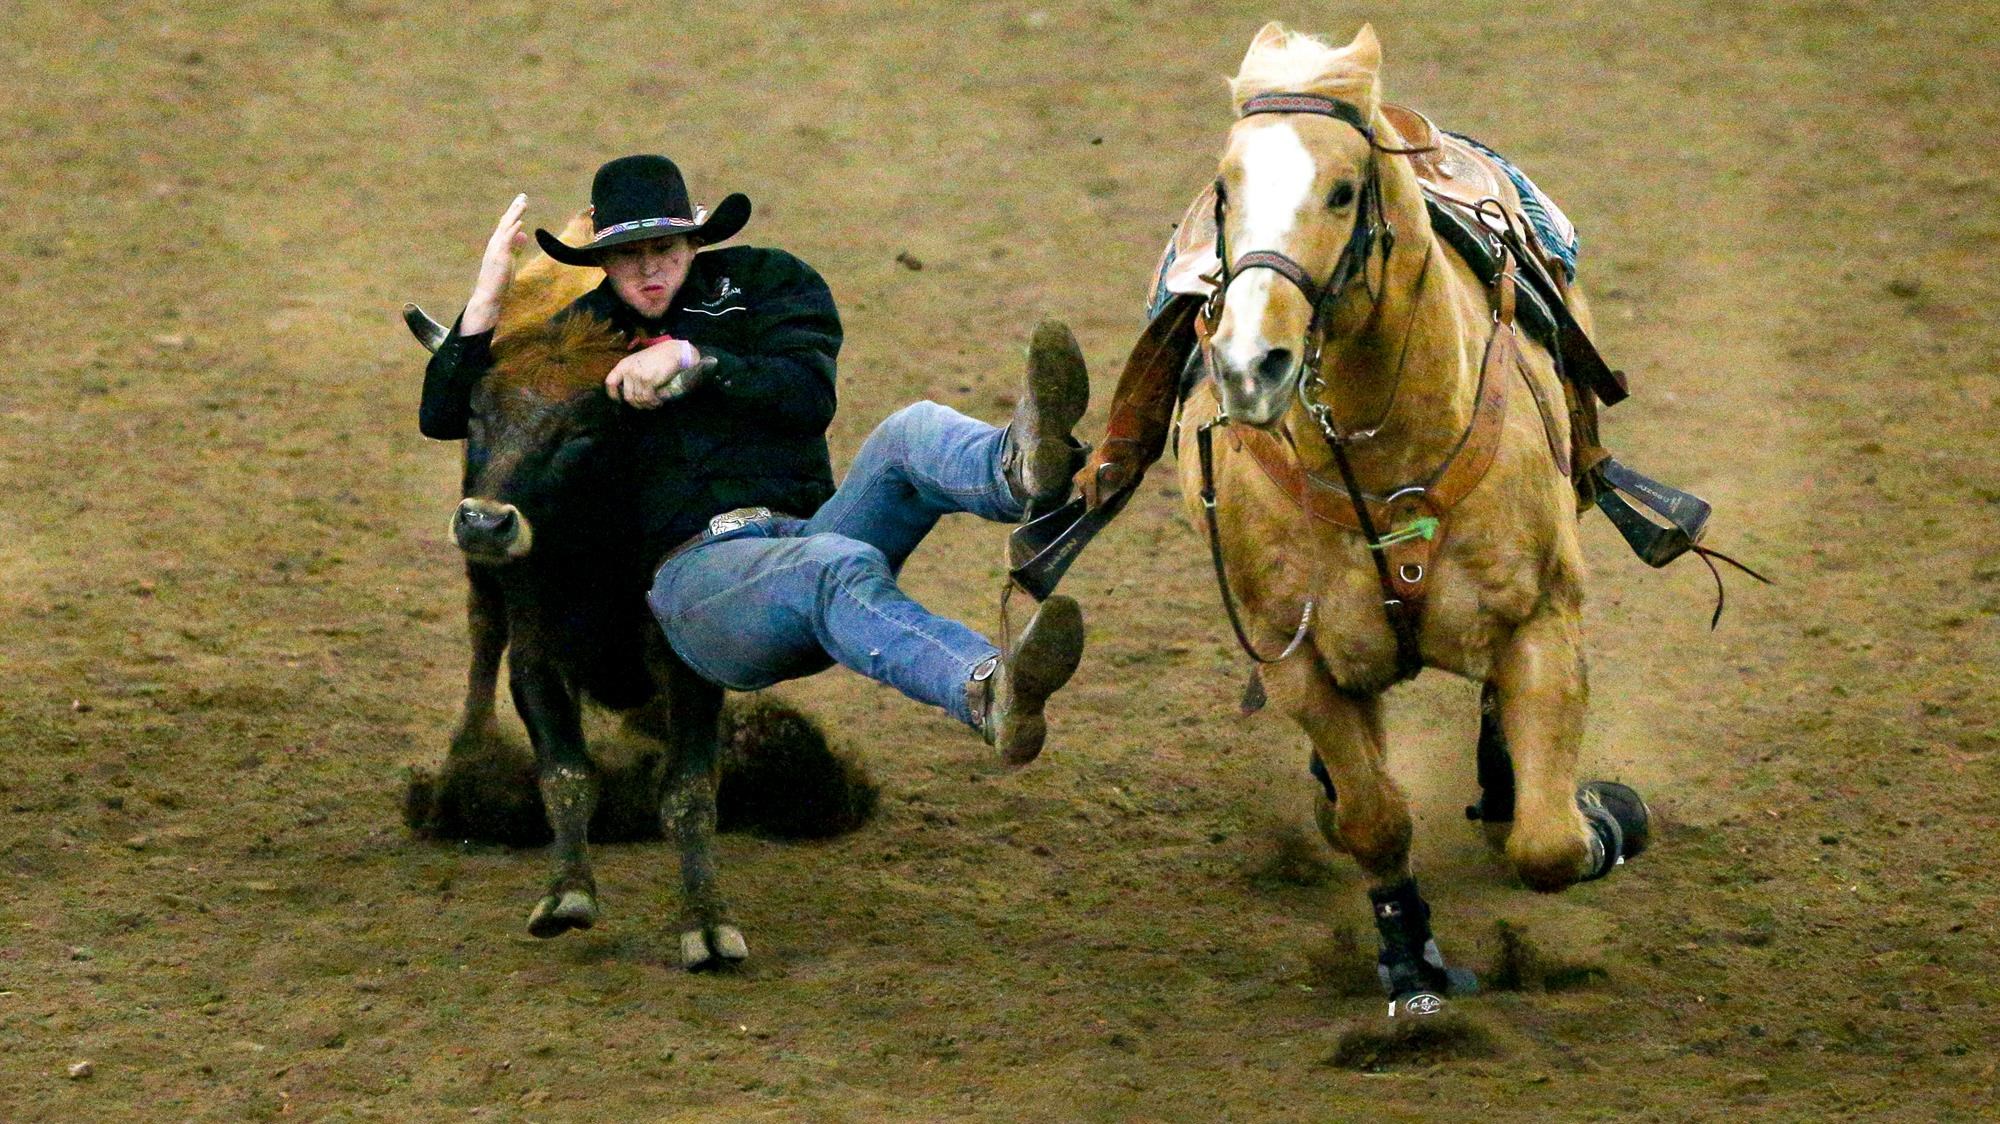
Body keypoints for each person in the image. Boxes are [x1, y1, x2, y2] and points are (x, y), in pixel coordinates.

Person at [419, 155, 1090, 764]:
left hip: (806, 530)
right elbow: (455, 416)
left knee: (909, 432)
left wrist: (698, 361)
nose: (650, 269)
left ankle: (1023, 468)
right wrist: (483, 308)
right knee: (835, 566)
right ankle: (986, 690)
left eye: (664, 248)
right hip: (697, 583)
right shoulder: (579, 340)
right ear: (601, 263)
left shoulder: (769, 283)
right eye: (628, 257)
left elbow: (805, 395)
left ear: (694, 240)